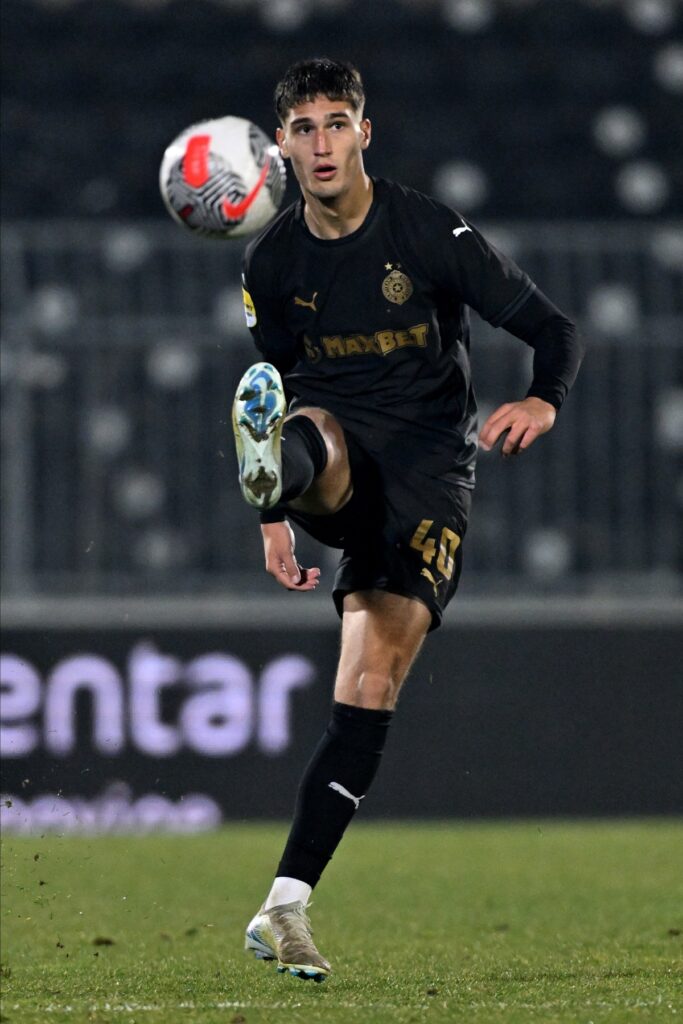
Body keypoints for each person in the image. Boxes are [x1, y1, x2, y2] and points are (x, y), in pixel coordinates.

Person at [233, 58, 584, 982]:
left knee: (370, 690)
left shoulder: (425, 230)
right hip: (333, 449)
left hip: (431, 476)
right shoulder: (271, 261)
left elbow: (555, 330)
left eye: (335, 123)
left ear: (363, 133)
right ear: (280, 144)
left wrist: (543, 399)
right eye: (302, 127)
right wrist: (271, 508)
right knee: (309, 429)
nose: (319, 143)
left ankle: (283, 906)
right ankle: (285, 479)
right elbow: (268, 388)